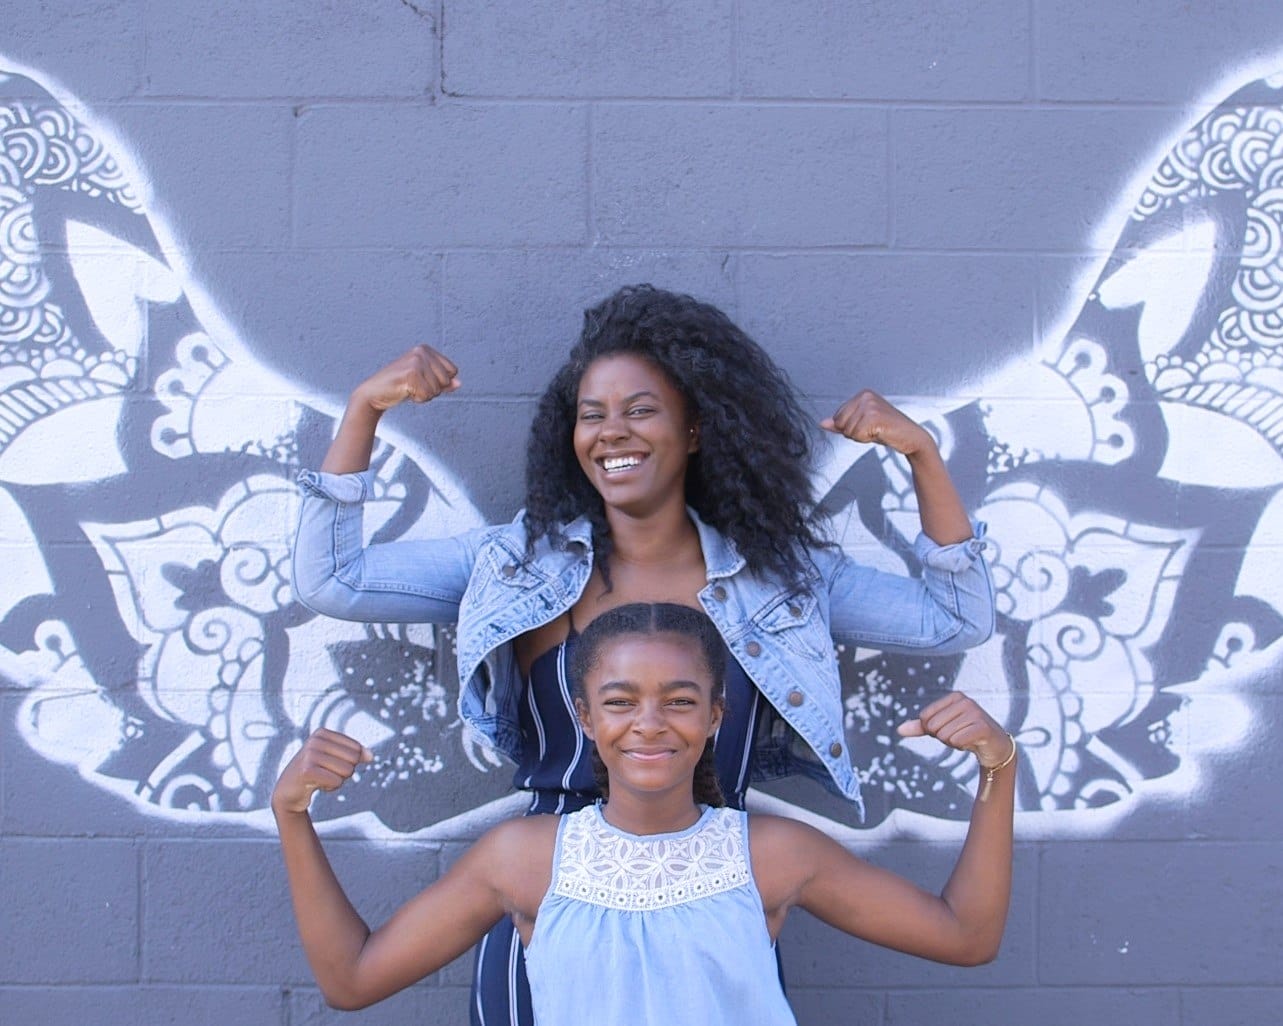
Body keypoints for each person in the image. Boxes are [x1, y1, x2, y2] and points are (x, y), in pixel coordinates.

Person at [291, 283, 996, 1024]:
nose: (612, 433)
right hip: (547, 903)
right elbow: (332, 579)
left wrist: (920, 453)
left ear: (694, 429)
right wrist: (364, 409)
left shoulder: (779, 578)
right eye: (591, 414)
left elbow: (956, 616)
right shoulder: (518, 563)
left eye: (639, 410)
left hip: (714, 900)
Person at [273, 603, 1015, 1024]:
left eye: (680, 700)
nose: (650, 723)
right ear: (586, 717)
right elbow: (353, 979)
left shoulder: (774, 855)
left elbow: (966, 936)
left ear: (716, 716)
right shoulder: (523, 859)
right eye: (621, 700)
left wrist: (998, 767)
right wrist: (293, 817)